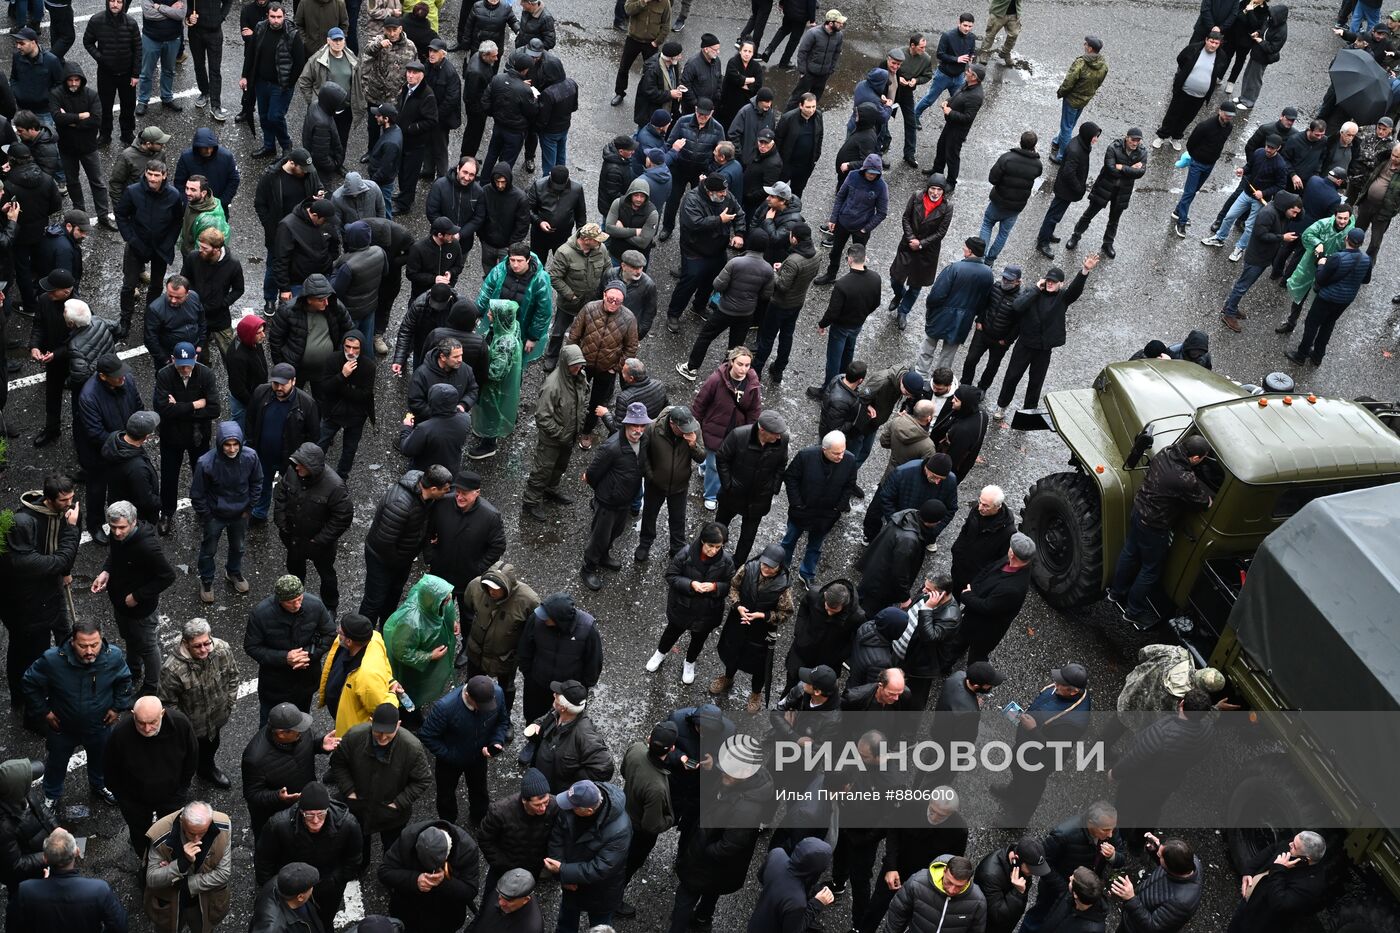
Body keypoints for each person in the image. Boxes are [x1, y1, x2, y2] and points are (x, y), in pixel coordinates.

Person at [666, 731, 770, 933]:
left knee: (685, 899)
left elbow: (729, 845)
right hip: (719, 868)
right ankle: (703, 918)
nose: (723, 773)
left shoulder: (745, 809)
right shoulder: (740, 781)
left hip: (707, 863)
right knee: (712, 890)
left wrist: (702, 852)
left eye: (728, 771)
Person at [23, 619, 131, 808]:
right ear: (73, 642)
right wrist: (45, 712)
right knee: (56, 763)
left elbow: (124, 680)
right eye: (83, 646)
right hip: (62, 727)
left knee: (101, 759)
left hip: (100, 725)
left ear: (101, 640)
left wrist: (116, 707)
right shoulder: (52, 660)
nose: (89, 651)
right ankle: (52, 795)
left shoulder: (113, 656)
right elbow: (29, 683)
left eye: (94, 645)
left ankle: (100, 785)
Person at [1108, 436, 1213, 629]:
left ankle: (1115, 593)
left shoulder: (1166, 451)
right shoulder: (1184, 479)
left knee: (1130, 552)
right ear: (1196, 458)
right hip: (1154, 526)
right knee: (1150, 569)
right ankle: (1133, 612)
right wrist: (1208, 500)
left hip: (1138, 510)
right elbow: (1202, 503)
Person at [326, 703, 432, 864]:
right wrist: (349, 790)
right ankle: (361, 866)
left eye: (388, 733)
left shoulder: (412, 747)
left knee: (392, 850)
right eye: (378, 732)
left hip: (392, 814)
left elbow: (422, 779)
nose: (382, 737)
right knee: (359, 845)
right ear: (370, 721)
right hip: (359, 806)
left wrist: (399, 802)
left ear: (398, 725)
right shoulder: (354, 736)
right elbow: (339, 763)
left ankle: (390, 875)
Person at [994, 256, 1097, 420]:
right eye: (1048, 280)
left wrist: (1084, 271)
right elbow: (1017, 307)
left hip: (1043, 348)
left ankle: (1028, 413)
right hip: (1025, 344)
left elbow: (1075, 290)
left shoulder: (1063, 297)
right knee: (1012, 376)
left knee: (1036, 382)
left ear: (1060, 284)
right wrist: (1036, 289)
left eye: (1054, 282)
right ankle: (1002, 406)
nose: (1050, 283)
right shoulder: (1033, 292)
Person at [89, 499, 175, 694]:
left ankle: (152, 686)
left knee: (147, 647)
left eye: (122, 528)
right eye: (113, 527)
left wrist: (137, 596)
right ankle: (133, 671)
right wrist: (106, 571)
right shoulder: (118, 536)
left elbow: (167, 576)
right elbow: (115, 555)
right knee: (129, 637)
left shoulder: (147, 547)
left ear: (134, 522)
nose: (117, 532)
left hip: (141, 609)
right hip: (121, 603)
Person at [992, 666, 1094, 825]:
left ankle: (1019, 819)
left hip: (1040, 759)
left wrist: (1032, 730)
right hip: (1026, 744)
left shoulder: (1073, 723)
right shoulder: (1060, 689)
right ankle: (1013, 791)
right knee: (1017, 767)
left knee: (1031, 787)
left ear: (1073, 691)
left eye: (1060, 683)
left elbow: (1056, 749)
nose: (1055, 684)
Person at [253, 783, 362, 931]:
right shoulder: (278, 825)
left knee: (325, 919)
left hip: (328, 888)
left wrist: (335, 880)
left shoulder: (348, 824)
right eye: (310, 815)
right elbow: (264, 860)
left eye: (320, 814)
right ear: (301, 811)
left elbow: (353, 858)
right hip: (293, 889)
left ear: (327, 810)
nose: (316, 820)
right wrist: (277, 889)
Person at [105, 696, 198, 863]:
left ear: (162, 713)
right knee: (139, 833)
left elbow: (191, 759)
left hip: (172, 796)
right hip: (135, 801)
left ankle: (170, 859)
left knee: (172, 829)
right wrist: (124, 800)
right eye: (141, 722)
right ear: (133, 714)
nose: (147, 729)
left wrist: (181, 790)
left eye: (153, 722)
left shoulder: (180, 724)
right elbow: (110, 769)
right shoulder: (120, 733)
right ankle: (146, 863)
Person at [359, 466, 454, 626]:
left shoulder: (426, 496)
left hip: (402, 558)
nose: (447, 493)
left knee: (393, 596)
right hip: (382, 559)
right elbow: (385, 544)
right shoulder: (400, 505)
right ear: (432, 489)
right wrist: (400, 563)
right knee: (374, 601)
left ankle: (385, 631)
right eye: (445, 490)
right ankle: (362, 637)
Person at [646, 522, 733, 683]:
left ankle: (689, 662)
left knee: (698, 640)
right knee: (671, 632)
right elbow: (671, 576)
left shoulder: (726, 561)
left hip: (708, 612)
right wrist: (691, 584)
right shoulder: (685, 554)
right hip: (683, 606)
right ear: (702, 541)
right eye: (710, 546)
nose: (714, 551)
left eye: (718, 547)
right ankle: (660, 654)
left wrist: (715, 587)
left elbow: (730, 585)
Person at [157, 619, 238, 790]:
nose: (204, 650)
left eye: (206, 643)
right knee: (185, 758)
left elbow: (233, 676)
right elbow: (167, 703)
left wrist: (229, 704)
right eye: (197, 646)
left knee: (211, 746)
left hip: (216, 719)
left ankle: (207, 770)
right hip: (190, 728)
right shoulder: (172, 669)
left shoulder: (222, 649)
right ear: (185, 643)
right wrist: (184, 727)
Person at [240, 702, 340, 839]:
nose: (302, 731)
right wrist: (278, 797)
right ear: (281, 734)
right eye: (297, 730)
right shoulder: (254, 758)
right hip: (274, 815)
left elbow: (310, 741)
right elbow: (251, 794)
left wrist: (320, 743)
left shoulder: (299, 732)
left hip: (303, 804)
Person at [713, 543, 795, 710]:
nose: (766, 568)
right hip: (738, 622)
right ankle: (728, 677)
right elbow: (734, 587)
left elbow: (785, 613)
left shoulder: (784, 585)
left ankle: (756, 693)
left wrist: (764, 616)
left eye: (771, 567)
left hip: (762, 631)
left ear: (779, 566)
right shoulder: (748, 568)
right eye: (764, 564)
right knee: (732, 652)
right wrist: (737, 605)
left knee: (759, 664)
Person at [274, 442, 353, 612]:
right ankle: (295, 601)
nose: (297, 468)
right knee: (295, 571)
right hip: (294, 538)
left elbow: (342, 517)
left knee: (326, 575)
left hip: (319, 545)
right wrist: (281, 522)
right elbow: (281, 495)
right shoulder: (292, 472)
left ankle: (330, 606)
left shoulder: (335, 486)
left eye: (301, 465)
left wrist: (319, 540)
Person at [245, 574, 336, 721]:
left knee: (301, 723)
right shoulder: (260, 614)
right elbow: (252, 647)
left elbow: (330, 634)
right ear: (280, 600)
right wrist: (285, 658)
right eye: (291, 602)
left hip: (306, 682)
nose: (297, 605)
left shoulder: (315, 605)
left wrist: (307, 655)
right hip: (275, 685)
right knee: (270, 726)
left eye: (300, 599)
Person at [463, 562, 540, 735]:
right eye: (488, 587)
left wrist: (521, 655)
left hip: (506, 657)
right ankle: (471, 713)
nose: (491, 592)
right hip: (477, 651)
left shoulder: (529, 601)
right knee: (473, 683)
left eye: (496, 589)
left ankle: (504, 720)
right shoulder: (475, 587)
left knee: (506, 689)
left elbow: (533, 632)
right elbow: (467, 609)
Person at [546, 779, 632, 933]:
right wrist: (563, 876)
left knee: (599, 927)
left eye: (572, 807)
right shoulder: (574, 801)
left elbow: (602, 868)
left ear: (588, 811)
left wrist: (564, 871)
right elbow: (556, 837)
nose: (567, 807)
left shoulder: (620, 829)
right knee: (566, 924)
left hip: (602, 891)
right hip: (572, 883)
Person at [665, 174, 745, 330]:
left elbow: (739, 214)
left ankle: (699, 306)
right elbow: (693, 223)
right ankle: (674, 314)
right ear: (710, 191)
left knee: (712, 281)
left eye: (725, 190)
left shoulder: (726, 196)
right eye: (721, 191)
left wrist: (739, 234)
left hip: (718, 249)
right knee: (688, 284)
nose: (725, 194)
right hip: (695, 251)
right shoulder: (692, 199)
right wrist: (719, 220)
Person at [115, 161, 183, 341]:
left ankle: (151, 319)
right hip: (137, 245)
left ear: (164, 175)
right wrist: (131, 239)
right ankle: (125, 320)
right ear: (145, 173)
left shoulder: (174, 195)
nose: (152, 178)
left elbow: (177, 221)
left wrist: (169, 243)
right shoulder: (133, 191)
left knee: (156, 285)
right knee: (129, 285)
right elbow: (121, 215)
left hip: (161, 248)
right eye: (150, 174)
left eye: (156, 175)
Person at [1285, 226, 1372, 365]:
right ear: (1361, 243)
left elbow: (1320, 278)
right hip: (1345, 300)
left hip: (1327, 298)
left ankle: (1301, 355)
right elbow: (1366, 280)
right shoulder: (1367, 259)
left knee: (1312, 324)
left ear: (1346, 239)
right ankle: (1317, 356)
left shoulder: (1337, 257)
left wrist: (1321, 264)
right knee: (1328, 325)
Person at [521, 344, 588, 522]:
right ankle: (531, 500)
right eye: (574, 365)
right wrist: (560, 433)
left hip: (569, 436)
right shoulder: (552, 385)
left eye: (580, 364)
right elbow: (542, 417)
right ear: (565, 363)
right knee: (542, 469)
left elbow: (582, 400)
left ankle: (551, 488)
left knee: (560, 465)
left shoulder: (580, 376)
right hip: (553, 438)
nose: (578, 368)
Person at [142, 802, 233, 933]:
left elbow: (223, 874)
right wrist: (182, 863)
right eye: (191, 833)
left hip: (205, 901)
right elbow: (151, 879)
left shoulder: (223, 825)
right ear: (181, 821)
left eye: (202, 833)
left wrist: (184, 883)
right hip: (171, 904)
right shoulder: (160, 833)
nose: (196, 840)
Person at [781, 431, 859, 583]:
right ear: (824, 449)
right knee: (789, 541)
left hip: (826, 515)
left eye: (843, 451)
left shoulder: (849, 460)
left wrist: (839, 507)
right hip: (802, 511)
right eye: (836, 453)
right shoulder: (805, 456)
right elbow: (790, 478)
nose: (841, 456)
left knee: (815, 547)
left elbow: (850, 485)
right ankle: (782, 569)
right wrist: (796, 503)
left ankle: (807, 574)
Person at [14, 828, 126, 932]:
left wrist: (42, 885)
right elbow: (119, 927)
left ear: (44, 858)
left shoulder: (25, 891)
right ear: (77, 852)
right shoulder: (99, 890)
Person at [616, 722, 676, 915]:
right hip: (638, 834)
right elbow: (651, 826)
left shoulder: (636, 748)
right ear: (672, 748)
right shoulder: (656, 788)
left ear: (649, 739)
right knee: (628, 866)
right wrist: (669, 818)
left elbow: (624, 771)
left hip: (623, 813)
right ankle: (614, 900)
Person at [1220, 190, 1301, 330]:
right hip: (1257, 256)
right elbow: (1261, 234)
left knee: (1243, 284)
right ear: (1286, 207)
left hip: (1265, 256)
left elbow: (1298, 217)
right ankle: (1229, 313)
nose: (1295, 215)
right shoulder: (1267, 213)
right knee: (1242, 286)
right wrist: (1282, 238)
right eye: (1294, 212)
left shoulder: (1282, 211)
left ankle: (1230, 306)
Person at [378, 822, 481, 933]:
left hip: (445, 918)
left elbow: (470, 890)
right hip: (408, 913)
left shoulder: (467, 849)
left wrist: (443, 882)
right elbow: (384, 871)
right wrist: (414, 879)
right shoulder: (407, 838)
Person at [570, 284, 641, 443]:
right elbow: (574, 335)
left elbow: (631, 348)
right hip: (583, 364)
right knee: (574, 396)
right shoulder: (589, 309)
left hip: (606, 370)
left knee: (597, 402)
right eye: (611, 299)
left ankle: (587, 430)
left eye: (618, 301)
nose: (614, 303)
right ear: (604, 295)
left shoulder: (629, 319)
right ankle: (570, 426)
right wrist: (572, 360)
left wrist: (615, 368)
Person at [953, 532, 1035, 665]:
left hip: (985, 629)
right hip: (973, 614)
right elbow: (988, 570)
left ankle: (973, 679)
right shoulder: (1011, 561)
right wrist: (973, 586)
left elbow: (987, 607)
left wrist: (967, 595)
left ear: (1012, 554)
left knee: (977, 656)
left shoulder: (1013, 589)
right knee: (959, 642)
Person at [1065, 128, 1147, 258]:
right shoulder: (1113, 147)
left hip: (1123, 191)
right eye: (1133, 139)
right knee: (1089, 214)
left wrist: (1121, 167)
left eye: (1138, 140)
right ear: (1127, 137)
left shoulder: (1142, 152)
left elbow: (1141, 172)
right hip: (1105, 187)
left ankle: (1108, 243)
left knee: (1114, 220)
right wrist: (1130, 169)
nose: (1135, 143)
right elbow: (1110, 169)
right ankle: (1075, 236)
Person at [918, 236, 993, 376]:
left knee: (928, 347)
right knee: (948, 356)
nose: (963, 249)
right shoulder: (988, 274)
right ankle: (939, 381)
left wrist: (930, 308)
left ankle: (920, 376)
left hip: (941, 316)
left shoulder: (954, 268)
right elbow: (984, 301)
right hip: (963, 321)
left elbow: (937, 294)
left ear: (970, 251)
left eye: (965, 247)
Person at [477, 770, 558, 899]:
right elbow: (485, 839)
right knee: (491, 899)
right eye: (537, 805)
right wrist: (502, 865)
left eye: (546, 802)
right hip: (505, 868)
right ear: (524, 801)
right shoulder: (500, 812)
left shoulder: (554, 805)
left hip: (534, 867)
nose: (543, 808)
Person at [1227, 831, 1327, 932]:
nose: (1290, 844)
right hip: (1249, 902)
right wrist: (1249, 870)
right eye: (1293, 840)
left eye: (1294, 846)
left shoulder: (1311, 885)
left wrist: (1278, 868)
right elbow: (1272, 849)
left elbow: (1279, 903)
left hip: (1260, 922)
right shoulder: (1295, 844)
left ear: (1305, 859)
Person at [243, 3, 308, 157]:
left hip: (281, 85)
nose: (276, 20)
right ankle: (269, 146)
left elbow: (299, 63)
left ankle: (286, 145)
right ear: (268, 16)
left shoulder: (292, 34)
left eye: (279, 17)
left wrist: (289, 83)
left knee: (275, 116)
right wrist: (245, 75)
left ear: (284, 16)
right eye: (272, 17)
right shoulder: (260, 28)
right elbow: (251, 54)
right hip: (261, 82)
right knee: (264, 116)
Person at [317, 613, 397, 734]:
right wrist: (390, 679)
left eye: (341, 632)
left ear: (349, 641)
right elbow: (384, 661)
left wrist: (392, 694)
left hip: (350, 729)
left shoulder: (366, 677)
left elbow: (380, 708)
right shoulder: (374, 637)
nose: (337, 631)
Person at [888, 175, 953, 324]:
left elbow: (941, 232)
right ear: (927, 188)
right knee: (895, 278)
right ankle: (899, 295)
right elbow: (906, 218)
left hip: (927, 252)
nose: (935, 193)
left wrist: (921, 243)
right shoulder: (916, 197)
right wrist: (911, 238)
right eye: (933, 188)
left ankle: (903, 311)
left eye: (939, 190)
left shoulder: (947, 207)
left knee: (916, 285)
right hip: (908, 245)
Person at [1108, 836, 1202, 933]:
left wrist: (1131, 899)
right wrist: (1156, 849)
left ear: (1171, 866)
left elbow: (1153, 927)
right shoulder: (1190, 861)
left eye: (1160, 856)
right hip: (1132, 917)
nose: (1158, 854)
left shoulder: (1180, 904)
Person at [1153, 30, 1224, 151]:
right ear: (1206, 39)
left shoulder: (1221, 56)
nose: (1213, 45)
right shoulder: (1194, 48)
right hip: (1183, 91)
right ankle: (1162, 136)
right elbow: (1181, 59)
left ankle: (1176, 137)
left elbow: (1220, 69)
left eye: (1216, 43)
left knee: (1187, 118)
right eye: (1211, 41)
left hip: (1200, 96)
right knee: (1172, 114)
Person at [85, 0, 142, 146]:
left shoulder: (131, 23)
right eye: (112, 1)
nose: (115, 4)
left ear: (123, 4)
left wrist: (135, 74)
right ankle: (104, 134)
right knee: (105, 106)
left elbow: (138, 49)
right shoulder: (96, 20)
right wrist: (100, 57)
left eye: (118, 1)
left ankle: (127, 133)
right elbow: (88, 41)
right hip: (106, 74)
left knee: (128, 106)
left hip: (127, 74)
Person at [981, 130, 1044, 264]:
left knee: (987, 224)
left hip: (998, 201)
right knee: (1003, 234)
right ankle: (990, 260)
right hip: (1016, 207)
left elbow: (993, 178)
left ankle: (980, 257)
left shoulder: (1007, 158)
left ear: (1020, 142)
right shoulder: (1038, 164)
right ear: (1034, 145)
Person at [749, 838, 836, 931]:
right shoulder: (797, 901)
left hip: (756, 922)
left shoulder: (777, 853)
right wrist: (817, 904)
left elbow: (760, 877)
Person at [924, 64, 984, 193]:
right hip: (950, 124)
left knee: (952, 155)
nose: (966, 72)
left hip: (958, 130)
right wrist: (948, 101)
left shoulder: (976, 96)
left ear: (974, 77)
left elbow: (968, 117)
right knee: (941, 147)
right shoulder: (967, 84)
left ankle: (951, 182)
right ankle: (937, 171)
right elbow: (957, 96)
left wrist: (950, 112)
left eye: (969, 71)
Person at [975, 836, 1052, 933]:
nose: (1034, 873)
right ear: (1016, 859)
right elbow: (997, 917)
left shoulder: (1023, 866)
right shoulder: (989, 875)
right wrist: (1017, 892)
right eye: (1031, 868)